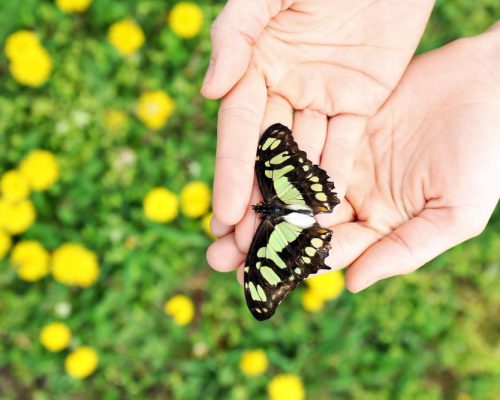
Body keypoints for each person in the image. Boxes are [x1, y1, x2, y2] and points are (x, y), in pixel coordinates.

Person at [203, 0, 500, 292]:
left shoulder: (266, 219)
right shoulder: (272, 183)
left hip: (292, 221)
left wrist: (490, 72)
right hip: (298, 199)